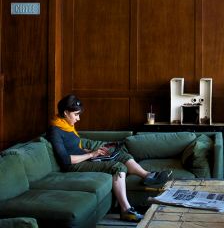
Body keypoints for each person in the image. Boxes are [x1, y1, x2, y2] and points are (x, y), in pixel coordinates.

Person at [47, 94, 170, 222]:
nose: (78, 119)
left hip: (81, 157)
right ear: (66, 112)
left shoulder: (67, 125)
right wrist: (90, 155)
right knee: (118, 167)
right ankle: (126, 210)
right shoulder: (55, 130)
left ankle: (147, 175)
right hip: (72, 165)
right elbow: (65, 159)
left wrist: (94, 151)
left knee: (122, 155)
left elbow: (74, 148)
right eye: (76, 114)